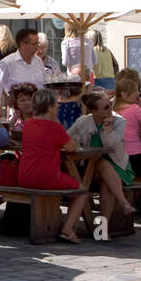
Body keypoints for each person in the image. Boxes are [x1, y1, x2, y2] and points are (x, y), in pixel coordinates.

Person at [18, 87, 91, 244]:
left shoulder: (28, 123)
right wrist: (56, 122)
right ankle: (68, 228)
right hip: (46, 176)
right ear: (50, 107)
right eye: (56, 104)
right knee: (82, 192)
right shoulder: (55, 127)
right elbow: (72, 147)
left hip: (25, 175)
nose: (59, 106)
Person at [68, 91, 139, 223]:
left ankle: (102, 229)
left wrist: (108, 126)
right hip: (90, 168)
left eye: (110, 104)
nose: (111, 109)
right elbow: (66, 137)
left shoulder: (119, 122)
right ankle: (123, 203)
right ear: (93, 111)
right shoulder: (83, 121)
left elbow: (110, 145)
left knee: (105, 181)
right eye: (106, 107)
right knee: (100, 162)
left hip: (118, 167)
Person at [0, 28, 47, 111]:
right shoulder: (7, 63)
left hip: (39, 111)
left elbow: (44, 85)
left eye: (38, 44)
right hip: (18, 115)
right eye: (34, 44)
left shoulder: (38, 61)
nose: (37, 47)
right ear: (23, 45)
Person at [112, 77, 141, 177]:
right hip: (136, 158)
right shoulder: (135, 109)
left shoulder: (113, 109)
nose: (139, 93)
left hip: (117, 158)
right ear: (124, 94)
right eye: (135, 91)